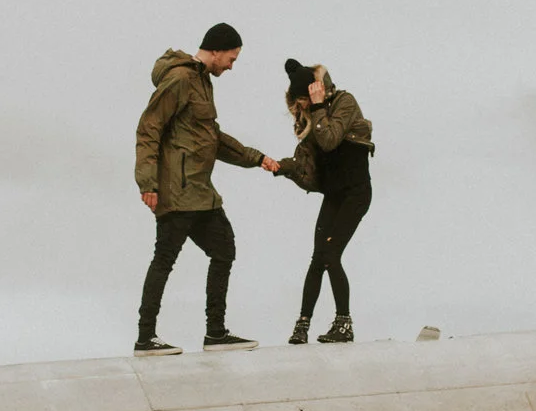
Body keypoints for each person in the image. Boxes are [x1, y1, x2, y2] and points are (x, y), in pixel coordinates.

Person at [133, 23, 276, 355]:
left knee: (224, 249)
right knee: (164, 259)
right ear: (216, 50)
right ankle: (145, 338)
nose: (232, 66)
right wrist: (148, 182)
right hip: (177, 192)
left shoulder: (202, 82)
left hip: (200, 193)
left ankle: (216, 333)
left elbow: (213, 138)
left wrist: (257, 158)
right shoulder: (180, 79)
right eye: (232, 59)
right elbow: (148, 127)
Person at [274, 59, 374, 344]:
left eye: (303, 101)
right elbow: (308, 167)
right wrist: (282, 167)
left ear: (315, 91)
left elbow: (330, 139)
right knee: (318, 258)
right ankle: (302, 324)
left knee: (331, 255)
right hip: (335, 194)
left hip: (355, 193)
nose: (301, 108)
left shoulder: (345, 102)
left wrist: (317, 107)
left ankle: (344, 324)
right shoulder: (312, 116)